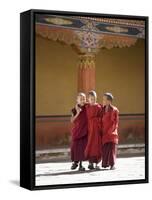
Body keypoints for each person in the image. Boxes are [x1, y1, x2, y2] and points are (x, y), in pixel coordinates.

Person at [101, 92, 119, 170]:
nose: (103, 101)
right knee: (105, 149)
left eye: (104, 100)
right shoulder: (103, 109)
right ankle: (105, 164)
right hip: (104, 131)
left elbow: (115, 122)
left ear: (109, 101)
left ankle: (112, 164)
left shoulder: (114, 110)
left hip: (111, 133)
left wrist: (111, 131)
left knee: (111, 149)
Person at [70, 92, 88, 171]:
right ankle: (75, 162)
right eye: (80, 99)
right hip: (77, 131)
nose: (82, 100)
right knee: (75, 148)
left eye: (84, 99)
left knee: (82, 148)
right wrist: (78, 112)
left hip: (85, 131)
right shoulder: (74, 109)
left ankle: (81, 165)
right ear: (77, 100)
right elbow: (72, 120)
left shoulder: (87, 107)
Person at [85, 90, 102, 170]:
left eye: (94, 98)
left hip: (96, 130)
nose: (92, 100)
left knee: (97, 146)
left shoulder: (99, 107)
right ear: (88, 99)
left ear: (96, 98)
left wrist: (95, 121)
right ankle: (90, 162)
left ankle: (96, 163)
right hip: (89, 129)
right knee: (90, 145)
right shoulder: (87, 107)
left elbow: (101, 118)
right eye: (91, 99)